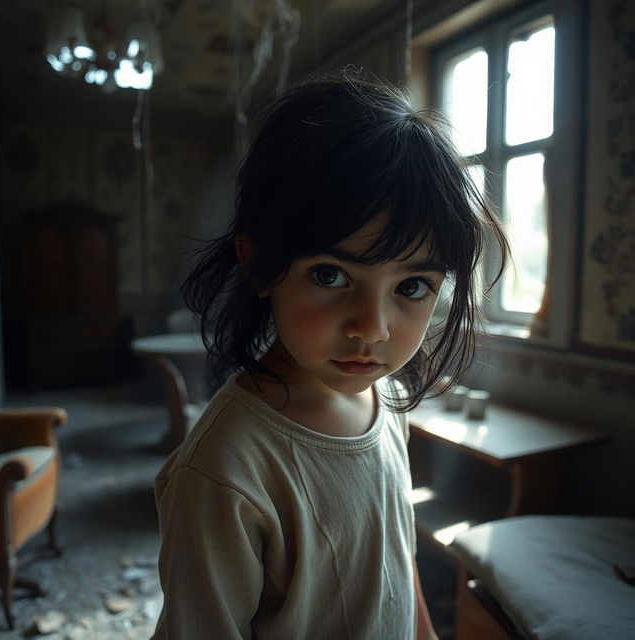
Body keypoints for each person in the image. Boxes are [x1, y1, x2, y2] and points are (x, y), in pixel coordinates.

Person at [153, 69, 508, 640]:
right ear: (259, 264)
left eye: (412, 286)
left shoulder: (384, 394)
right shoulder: (224, 471)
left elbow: (395, 556)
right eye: (330, 274)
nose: (371, 329)